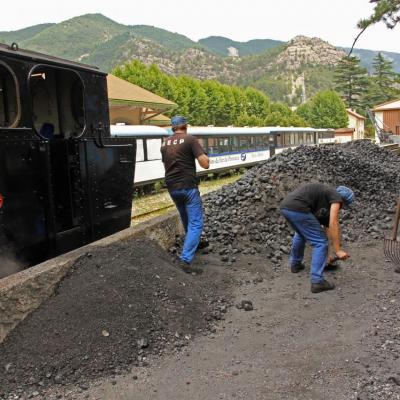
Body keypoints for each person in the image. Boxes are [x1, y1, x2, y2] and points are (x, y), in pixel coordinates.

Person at [280, 183, 355, 293]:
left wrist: (327, 256)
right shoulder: (335, 196)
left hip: (286, 206)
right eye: (342, 206)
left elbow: (327, 228)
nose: (341, 208)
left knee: (301, 234)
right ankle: (317, 281)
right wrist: (338, 250)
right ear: (342, 200)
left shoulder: (323, 200)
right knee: (320, 242)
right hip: (298, 208)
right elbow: (334, 223)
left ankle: (295, 264)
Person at [161, 115, 210, 273]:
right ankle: (185, 260)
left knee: (187, 219)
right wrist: (204, 155)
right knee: (196, 223)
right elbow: (205, 164)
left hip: (172, 187)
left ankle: (194, 244)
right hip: (188, 185)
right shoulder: (190, 139)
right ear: (185, 126)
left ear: (173, 127)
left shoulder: (164, 143)